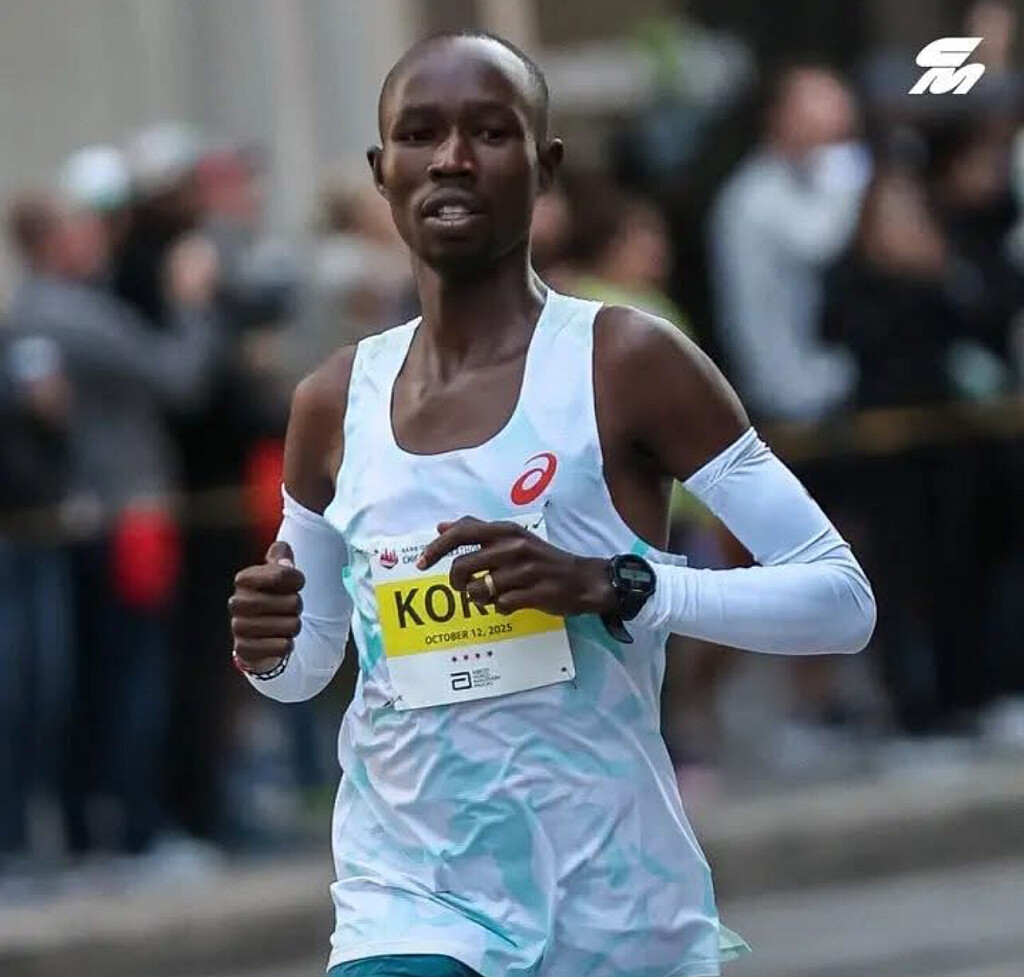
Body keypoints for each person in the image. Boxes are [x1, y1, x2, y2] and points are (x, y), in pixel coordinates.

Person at [228, 31, 875, 977]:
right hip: (409, 901)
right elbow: (308, 663)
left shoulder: (628, 362)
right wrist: (267, 647)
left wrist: (617, 584)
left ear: (546, 167)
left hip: (613, 907)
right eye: (420, 133)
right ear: (382, 170)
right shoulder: (333, 400)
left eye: (490, 132)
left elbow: (842, 600)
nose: (452, 158)